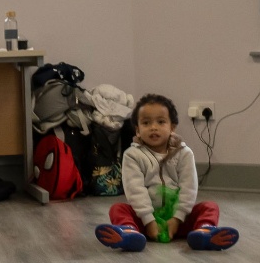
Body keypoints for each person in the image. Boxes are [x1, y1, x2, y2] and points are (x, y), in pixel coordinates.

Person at [94, 94, 238, 252]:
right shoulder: (132, 155)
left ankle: (204, 232)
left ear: (172, 127)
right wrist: (149, 221)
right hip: (144, 221)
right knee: (118, 209)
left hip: (178, 221)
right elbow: (135, 190)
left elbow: (188, 187)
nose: (153, 127)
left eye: (161, 122)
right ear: (138, 130)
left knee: (209, 207)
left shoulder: (184, 153)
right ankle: (129, 233)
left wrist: (177, 218)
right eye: (146, 123)